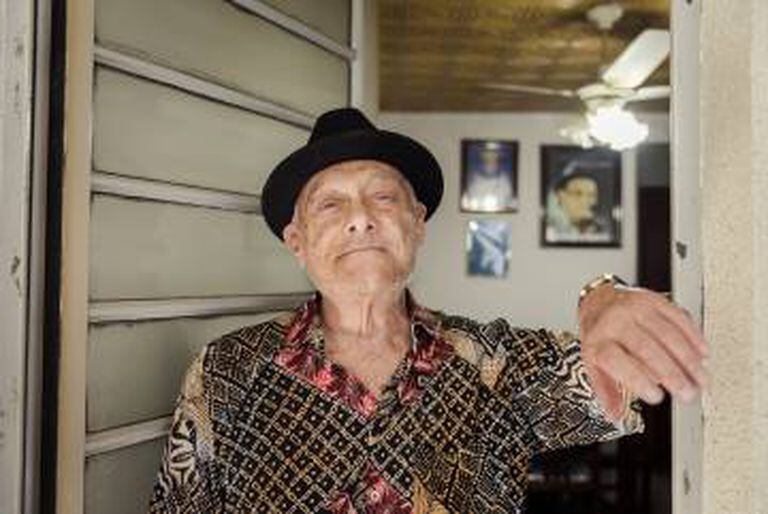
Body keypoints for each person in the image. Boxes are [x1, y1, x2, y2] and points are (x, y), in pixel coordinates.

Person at [148, 108, 708, 513]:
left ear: (417, 223)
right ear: (297, 240)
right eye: (331, 204)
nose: (360, 218)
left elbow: (668, 349)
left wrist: (602, 296)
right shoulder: (227, 370)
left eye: (382, 197)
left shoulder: (494, 364)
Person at [546, 167, 611, 243]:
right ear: (560, 196)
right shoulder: (550, 230)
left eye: (592, 195)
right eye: (578, 194)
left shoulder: (601, 231)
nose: (587, 201)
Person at [461, 143, 515, 212]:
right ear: (482, 158)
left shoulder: (505, 181)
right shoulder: (474, 181)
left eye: (493, 156)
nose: (490, 159)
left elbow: (511, 204)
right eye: (487, 157)